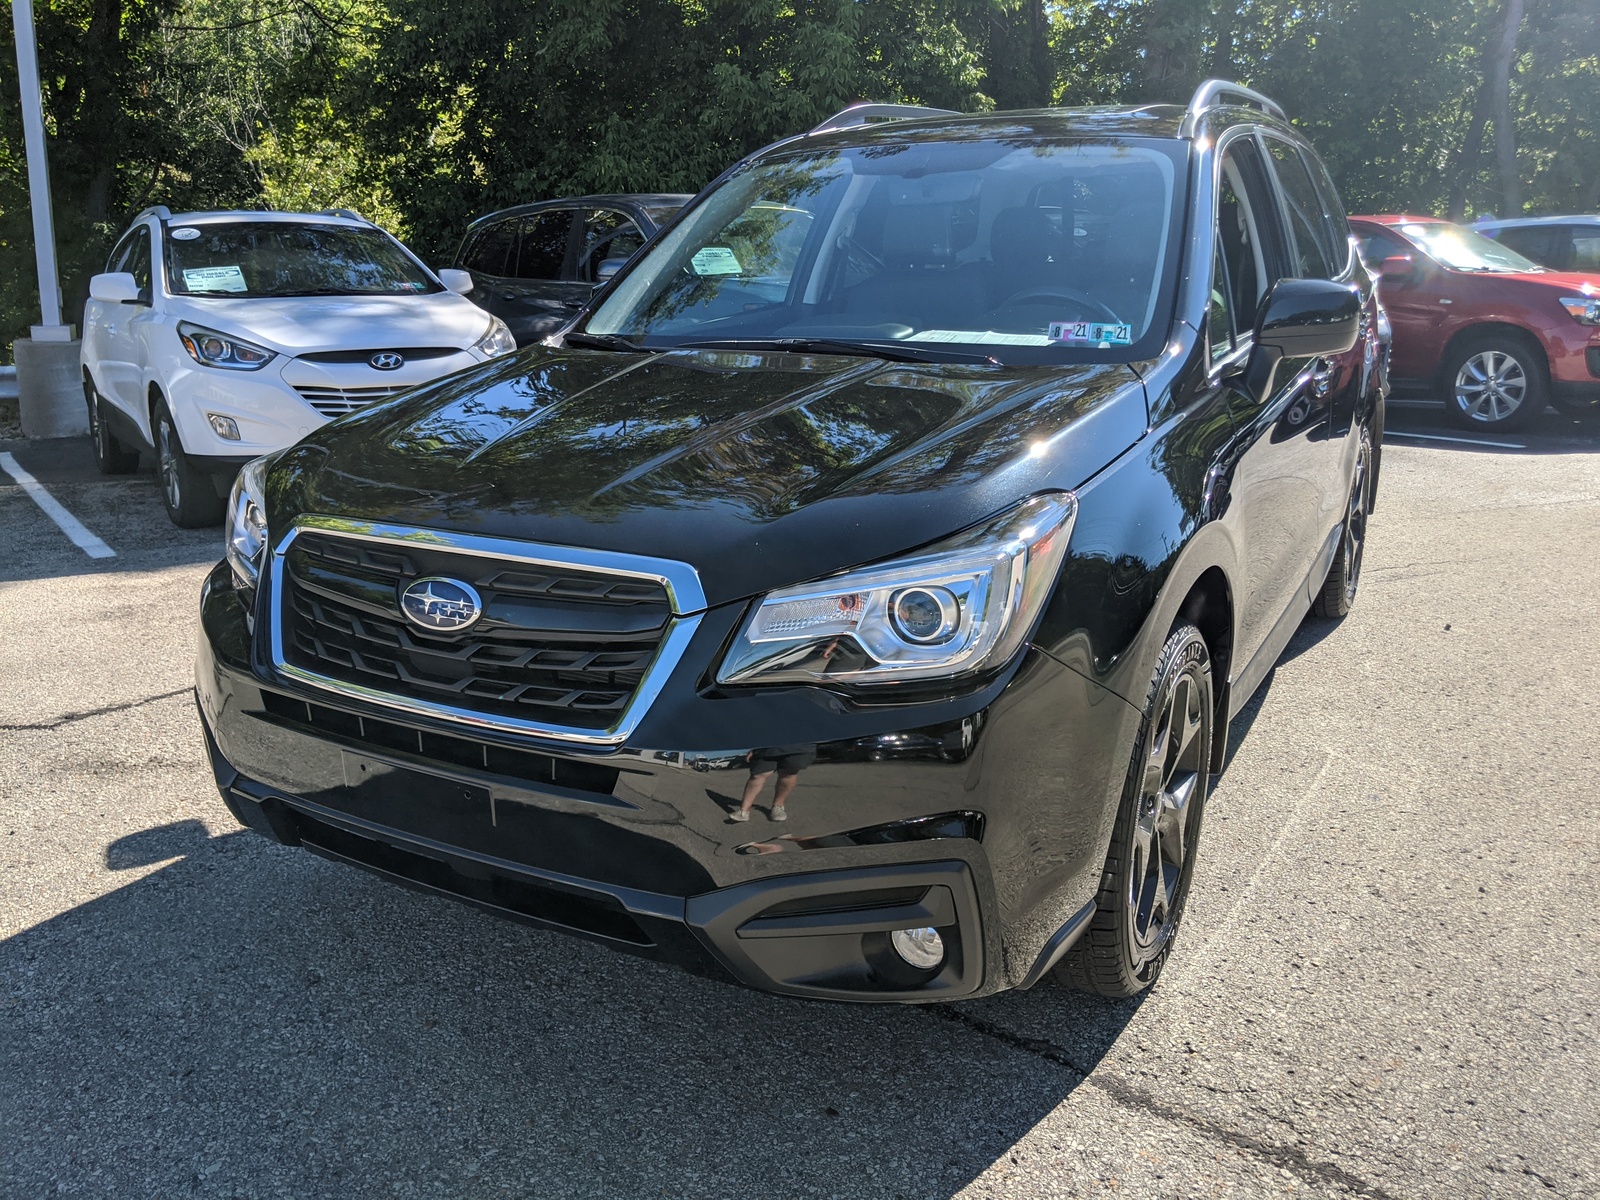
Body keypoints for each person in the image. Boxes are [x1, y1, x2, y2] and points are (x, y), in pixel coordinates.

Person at [728, 744, 815, 822]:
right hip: (768, 745)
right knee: (758, 775)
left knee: (788, 773)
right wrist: (754, 748)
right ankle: (744, 811)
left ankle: (778, 806)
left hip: (799, 745)